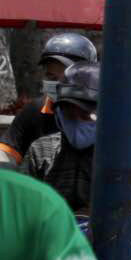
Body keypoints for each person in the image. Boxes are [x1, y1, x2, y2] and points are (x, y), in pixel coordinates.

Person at [1, 31, 97, 165]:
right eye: (51, 77)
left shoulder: (104, 111)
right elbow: (7, 153)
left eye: (65, 79)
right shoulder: (35, 112)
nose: (57, 84)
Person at [22, 65, 100, 213]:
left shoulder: (118, 156)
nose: (77, 123)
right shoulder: (41, 151)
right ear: (58, 114)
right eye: (69, 115)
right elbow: (24, 206)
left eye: (86, 116)